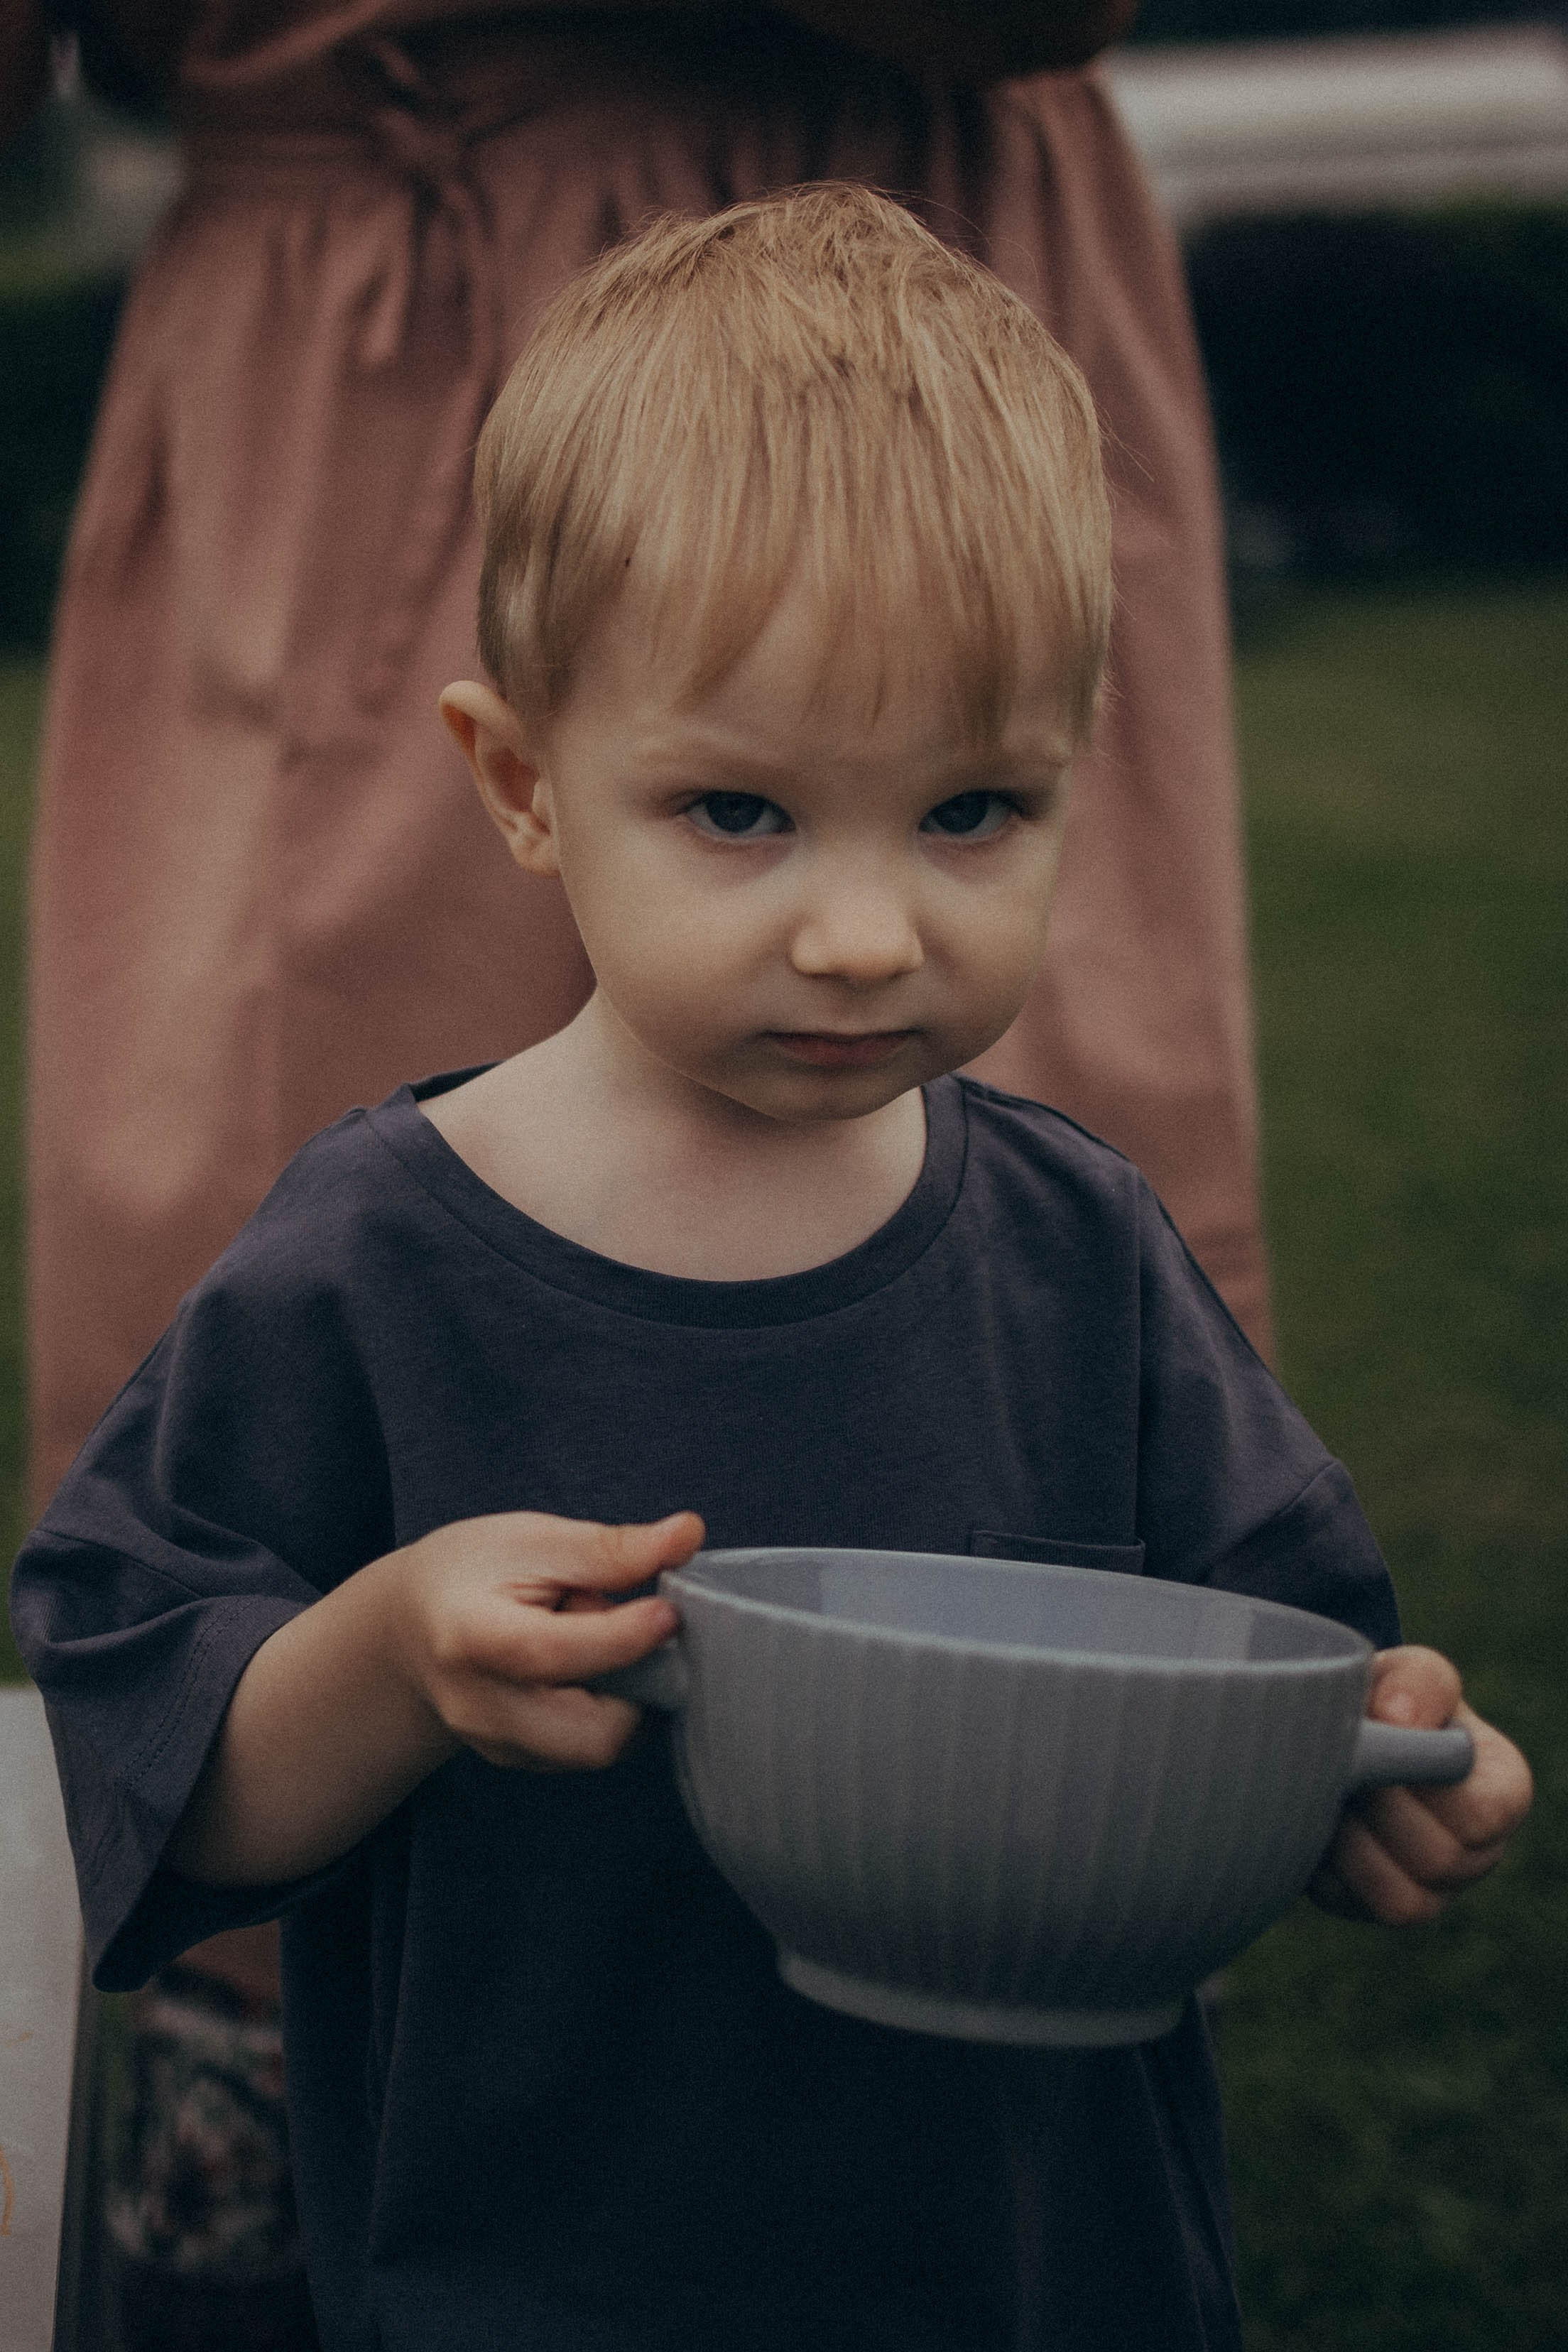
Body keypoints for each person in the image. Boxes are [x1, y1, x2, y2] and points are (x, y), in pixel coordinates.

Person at [12, 188, 1531, 2352]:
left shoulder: (1078, 1256)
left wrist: (1397, 1769)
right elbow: (155, 1760)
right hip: (538, 2273)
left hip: (1033, 2264)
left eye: (973, 810)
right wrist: (388, 1656)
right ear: (526, 786)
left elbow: (1282, 1683)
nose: (863, 932)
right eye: (739, 812)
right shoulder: (374, 1259)